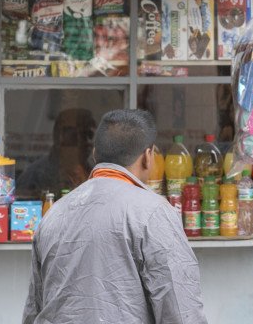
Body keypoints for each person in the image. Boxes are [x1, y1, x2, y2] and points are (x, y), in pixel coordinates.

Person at [22, 108, 208, 324]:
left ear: (95, 155)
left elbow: (34, 308)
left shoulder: (54, 213)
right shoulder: (153, 212)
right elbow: (180, 310)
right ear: (148, 157)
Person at [17, 107, 96, 197]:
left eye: (90, 135)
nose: (87, 141)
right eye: (79, 135)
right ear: (59, 139)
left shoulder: (92, 169)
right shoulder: (35, 175)